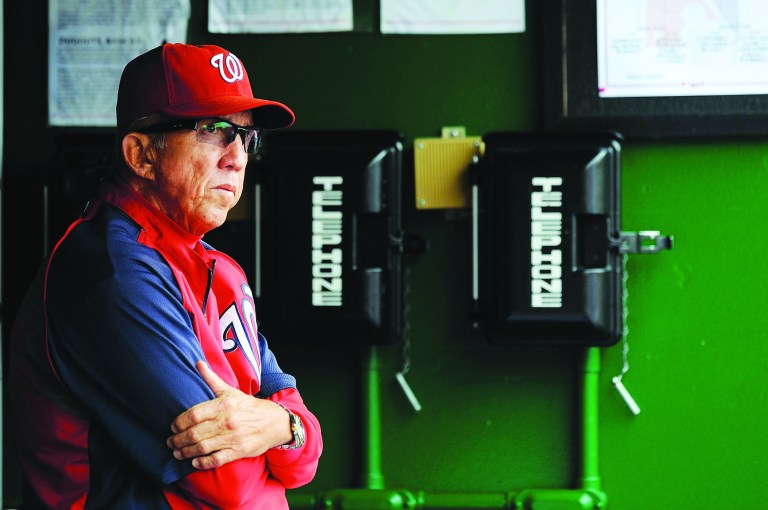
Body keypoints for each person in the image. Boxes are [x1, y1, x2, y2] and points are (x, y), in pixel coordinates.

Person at [9, 42, 322, 509]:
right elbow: (229, 487)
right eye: (214, 130)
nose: (237, 158)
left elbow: (304, 456)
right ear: (140, 155)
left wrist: (283, 426)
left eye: (246, 137)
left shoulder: (217, 266)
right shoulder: (112, 273)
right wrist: (279, 430)